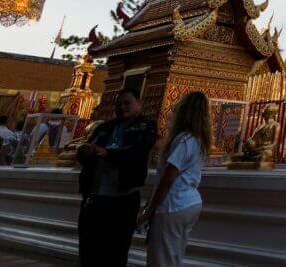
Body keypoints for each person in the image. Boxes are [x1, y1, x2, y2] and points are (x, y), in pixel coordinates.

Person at [76, 88, 157, 267]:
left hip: (123, 197)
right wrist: (86, 151)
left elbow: (139, 152)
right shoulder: (105, 127)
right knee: (89, 249)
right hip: (96, 196)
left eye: (127, 103)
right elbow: (89, 148)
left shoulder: (146, 127)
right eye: (118, 104)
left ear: (139, 104)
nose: (122, 107)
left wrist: (108, 154)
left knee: (117, 251)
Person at [140, 91, 210, 267]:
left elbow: (168, 178)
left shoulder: (185, 139)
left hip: (173, 204)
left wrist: (149, 210)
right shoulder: (199, 139)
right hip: (189, 204)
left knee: (161, 260)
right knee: (172, 256)